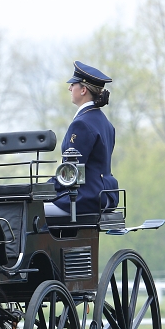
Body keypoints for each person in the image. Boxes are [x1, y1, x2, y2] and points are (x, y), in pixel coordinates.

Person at [45, 61, 119, 217]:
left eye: (73, 84)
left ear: (83, 90)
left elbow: (69, 173)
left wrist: (39, 188)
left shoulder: (81, 124)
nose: (69, 88)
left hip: (85, 198)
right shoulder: (105, 122)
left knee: (28, 211)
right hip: (106, 195)